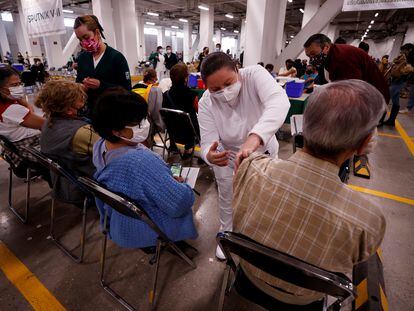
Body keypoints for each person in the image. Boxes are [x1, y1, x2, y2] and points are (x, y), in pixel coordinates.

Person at [233, 79, 386, 306]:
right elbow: (355, 259)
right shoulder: (368, 219)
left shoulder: (251, 167)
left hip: (248, 281)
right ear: (364, 144)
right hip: (303, 301)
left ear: (304, 123)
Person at [198, 52, 290, 259]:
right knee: (227, 197)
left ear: (237, 70)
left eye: (228, 83)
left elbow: (279, 102)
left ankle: (261, 236)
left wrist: (255, 137)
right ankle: (227, 235)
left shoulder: (255, 75)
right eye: (215, 89)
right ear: (206, 87)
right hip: (227, 156)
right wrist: (209, 155)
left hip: (261, 150)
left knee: (265, 196)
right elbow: (207, 141)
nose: (224, 92)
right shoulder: (206, 102)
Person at [91, 87, 198, 248]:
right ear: (116, 130)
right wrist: (182, 185)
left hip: (121, 220)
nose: (145, 124)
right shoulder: (140, 162)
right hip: (148, 226)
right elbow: (179, 204)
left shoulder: (100, 145)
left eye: (145, 118)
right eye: (138, 122)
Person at [304, 33, 390, 179]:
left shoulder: (343, 58)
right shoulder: (331, 56)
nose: (311, 58)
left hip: (370, 97)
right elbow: (328, 80)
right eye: (308, 55)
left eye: (313, 54)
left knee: (358, 126)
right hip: (359, 90)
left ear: (325, 48)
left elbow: (351, 94)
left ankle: (361, 155)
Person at [36, 80, 99, 205]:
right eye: (80, 100)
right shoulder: (81, 132)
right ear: (69, 109)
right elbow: (112, 152)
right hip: (88, 185)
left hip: (65, 183)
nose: (83, 103)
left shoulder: (48, 123)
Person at [74, 15, 131, 115]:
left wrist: (102, 85)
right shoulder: (82, 58)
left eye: (86, 37)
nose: (83, 42)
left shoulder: (116, 57)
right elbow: (78, 82)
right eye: (79, 39)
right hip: (88, 113)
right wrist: (81, 87)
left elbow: (126, 90)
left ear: (97, 32)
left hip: (111, 113)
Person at [0, 66, 45, 172]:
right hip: (29, 151)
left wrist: (20, 101)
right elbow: (45, 124)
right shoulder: (11, 109)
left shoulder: (7, 102)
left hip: (16, 150)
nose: (19, 87)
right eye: (14, 85)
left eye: (20, 84)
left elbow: (29, 112)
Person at [163, 63, 200, 157]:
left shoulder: (166, 95)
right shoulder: (192, 95)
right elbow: (200, 112)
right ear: (186, 78)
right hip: (190, 135)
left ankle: (174, 147)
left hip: (173, 133)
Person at [385, 44, 414, 124]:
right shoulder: (405, 58)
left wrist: (404, 69)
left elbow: (408, 69)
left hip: (400, 80)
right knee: (395, 100)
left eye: (403, 50)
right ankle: (391, 121)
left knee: (387, 98)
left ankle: (386, 120)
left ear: (409, 50)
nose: (402, 52)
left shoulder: (410, 58)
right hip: (398, 80)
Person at [132, 68, 164, 135]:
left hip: (133, 120)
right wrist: (160, 126)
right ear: (153, 79)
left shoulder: (134, 88)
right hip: (147, 122)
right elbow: (157, 111)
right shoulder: (155, 90)